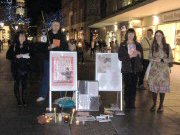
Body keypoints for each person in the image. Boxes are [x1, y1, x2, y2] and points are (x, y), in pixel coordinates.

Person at [36, 20, 68, 102]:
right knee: (46, 76)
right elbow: (41, 47)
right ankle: (42, 95)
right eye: (54, 25)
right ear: (51, 26)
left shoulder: (62, 36)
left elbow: (65, 46)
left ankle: (63, 96)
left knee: (61, 77)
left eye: (57, 25)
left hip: (59, 60)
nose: (56, 26)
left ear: (59, 26)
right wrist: (48, 47)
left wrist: (56, 44)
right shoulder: (46, 35)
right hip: (48, 59)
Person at [148, 30, 173, 113]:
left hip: (163, 71)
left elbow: (171, 58)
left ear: (162, 36)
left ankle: (161, 105)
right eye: (156, 35)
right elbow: (149, 57)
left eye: (159, 35)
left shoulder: (167, 46)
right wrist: (155, 59)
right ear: (155, 37)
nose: (158, 37)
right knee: (154, 88)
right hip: (154, 70)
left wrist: (162, 59)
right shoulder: (153, 46)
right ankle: (154, 104)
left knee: (162, 88)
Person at [118, 28, 143, 109]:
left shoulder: (138, 44)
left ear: (134, 35)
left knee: (133, 87)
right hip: (126, 69)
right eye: (129, 34)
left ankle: (132, 103)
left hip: (135, 68)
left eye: (132, 34)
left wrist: (138, 53)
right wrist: (129, 56)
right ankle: (127, 103)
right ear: (127, 35)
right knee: (127, 86)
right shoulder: (123, 45)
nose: (131, 35)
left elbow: (141, 56)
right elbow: (120, 57)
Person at [6, 31, 31, 106]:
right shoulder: (14, 45)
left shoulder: (28, 45)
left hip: (25, 68)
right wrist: (15, 56)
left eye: (24, 36)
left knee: (24, 85)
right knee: (17, 84)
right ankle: (18, 100)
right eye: (21, 36)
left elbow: (32, 54)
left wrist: (28, 55)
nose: (23, 37)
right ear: (17, 37)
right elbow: (8, 55)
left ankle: (23, 99)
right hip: (16, 68)